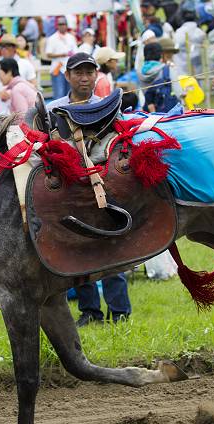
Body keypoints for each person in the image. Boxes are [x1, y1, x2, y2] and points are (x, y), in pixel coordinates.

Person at [46, 53, 132, 326]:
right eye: (78, 73)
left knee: (112, 248)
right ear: (68, 76)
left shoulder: (108, 106)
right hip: (71, 189)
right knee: (79, 250)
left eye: (89, 72)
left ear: (97, 75)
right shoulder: (53, 109)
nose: (84, 78)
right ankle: (90, 312)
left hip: (105, 186)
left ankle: (119, 313)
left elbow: (119, 142)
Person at [0, 34, 36, 115]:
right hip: (1, 108)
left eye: (7, 46)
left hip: (21, 109)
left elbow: (33, 85)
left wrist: (13, 92)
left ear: (15, 47)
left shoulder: (26, 64)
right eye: (1, 46)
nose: (4, 49)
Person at [144, 37, 183, 113]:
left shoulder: (141, 71)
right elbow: (179, 93)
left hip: (146, 112)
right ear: (161, 54)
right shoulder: (168, 70)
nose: (171, 57)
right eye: (169, 54)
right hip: (165, 113)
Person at [45, 17, 77, 100]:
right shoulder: (52, 38)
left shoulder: (71, 37)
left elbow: (75, 52)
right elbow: (48, 54)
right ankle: (57, 112)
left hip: (69, 69)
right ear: (57, 26)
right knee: (59, 95)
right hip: (57, 68)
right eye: (60, 24)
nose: (62, 26)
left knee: (70, 94)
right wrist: (62, 54)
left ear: (66, 25)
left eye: (63, 24)